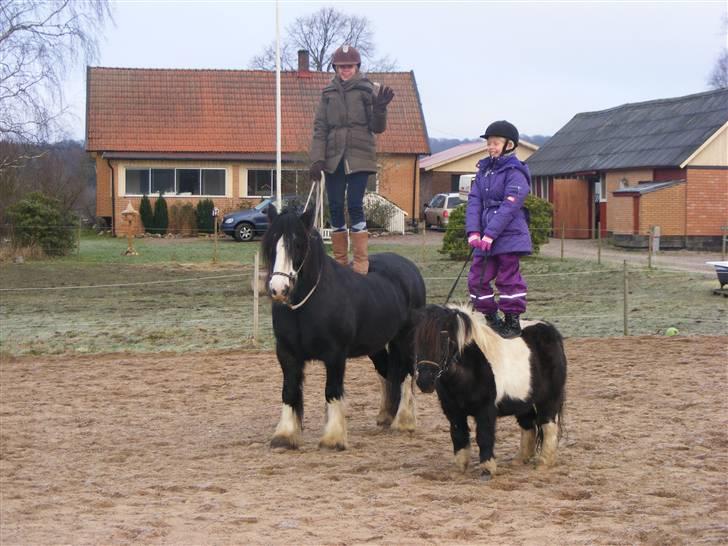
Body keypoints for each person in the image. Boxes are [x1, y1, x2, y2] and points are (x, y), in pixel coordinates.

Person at [309, 44, 394, 274]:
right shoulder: (328, 94)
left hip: (360, 156)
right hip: (334, 157)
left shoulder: (368, 90)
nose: (345, 70)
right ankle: (339, 260)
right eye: (341, 66)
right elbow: (320, 128)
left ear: (357, 67)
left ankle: (360, 262)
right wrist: (317, 159)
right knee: (335, 206)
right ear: (336, 68)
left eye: (349, 66)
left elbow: (378, 128)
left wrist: (380, 109)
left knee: (355, 204)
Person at [465, 120, 532, 338]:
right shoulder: (484, 171)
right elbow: (474, 201)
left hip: (508, 234)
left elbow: (509, 206)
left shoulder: (515, 172)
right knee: (476, 279)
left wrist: (491, 234)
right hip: (484, 236)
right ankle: (491, 318)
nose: (490, 147)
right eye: (489, 143)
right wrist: (473, 231)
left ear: (509, 145)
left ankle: (512, 321)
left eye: (495, 143)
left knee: (507, 278)